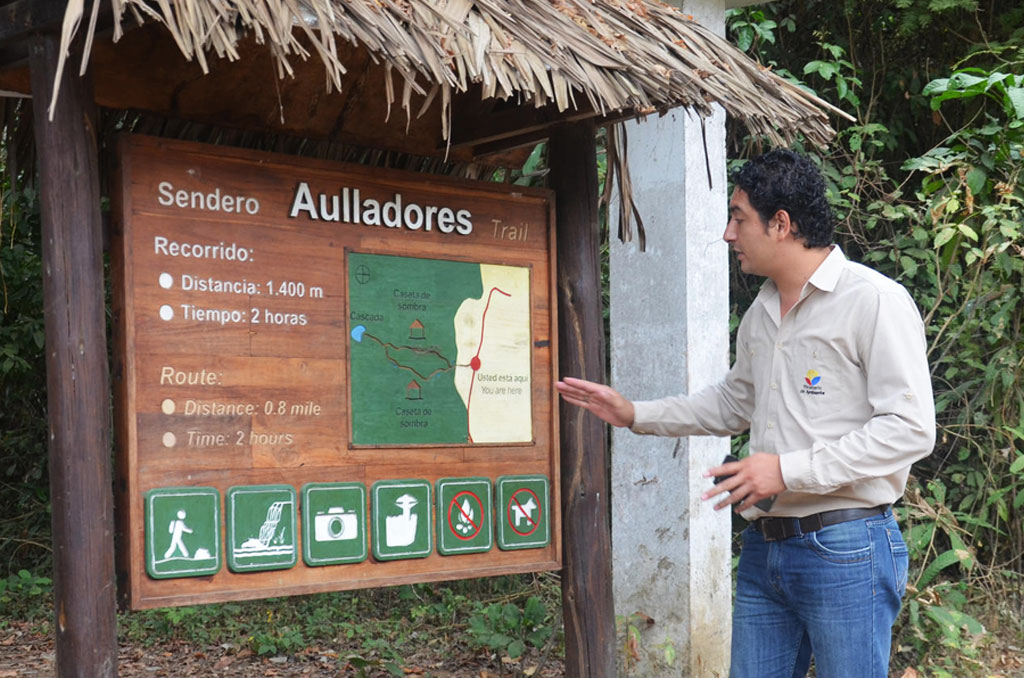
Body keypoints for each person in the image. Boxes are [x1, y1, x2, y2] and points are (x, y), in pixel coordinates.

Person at [555, 149, 935, 678]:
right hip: (766, 548)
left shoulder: (874, 302)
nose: (729, 234)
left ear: (781, 224)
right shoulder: (761, 310)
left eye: (738, 217)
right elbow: (733, 402)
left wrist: (783, 470)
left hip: (848, 547)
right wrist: (633, 412)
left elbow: (910, 429)